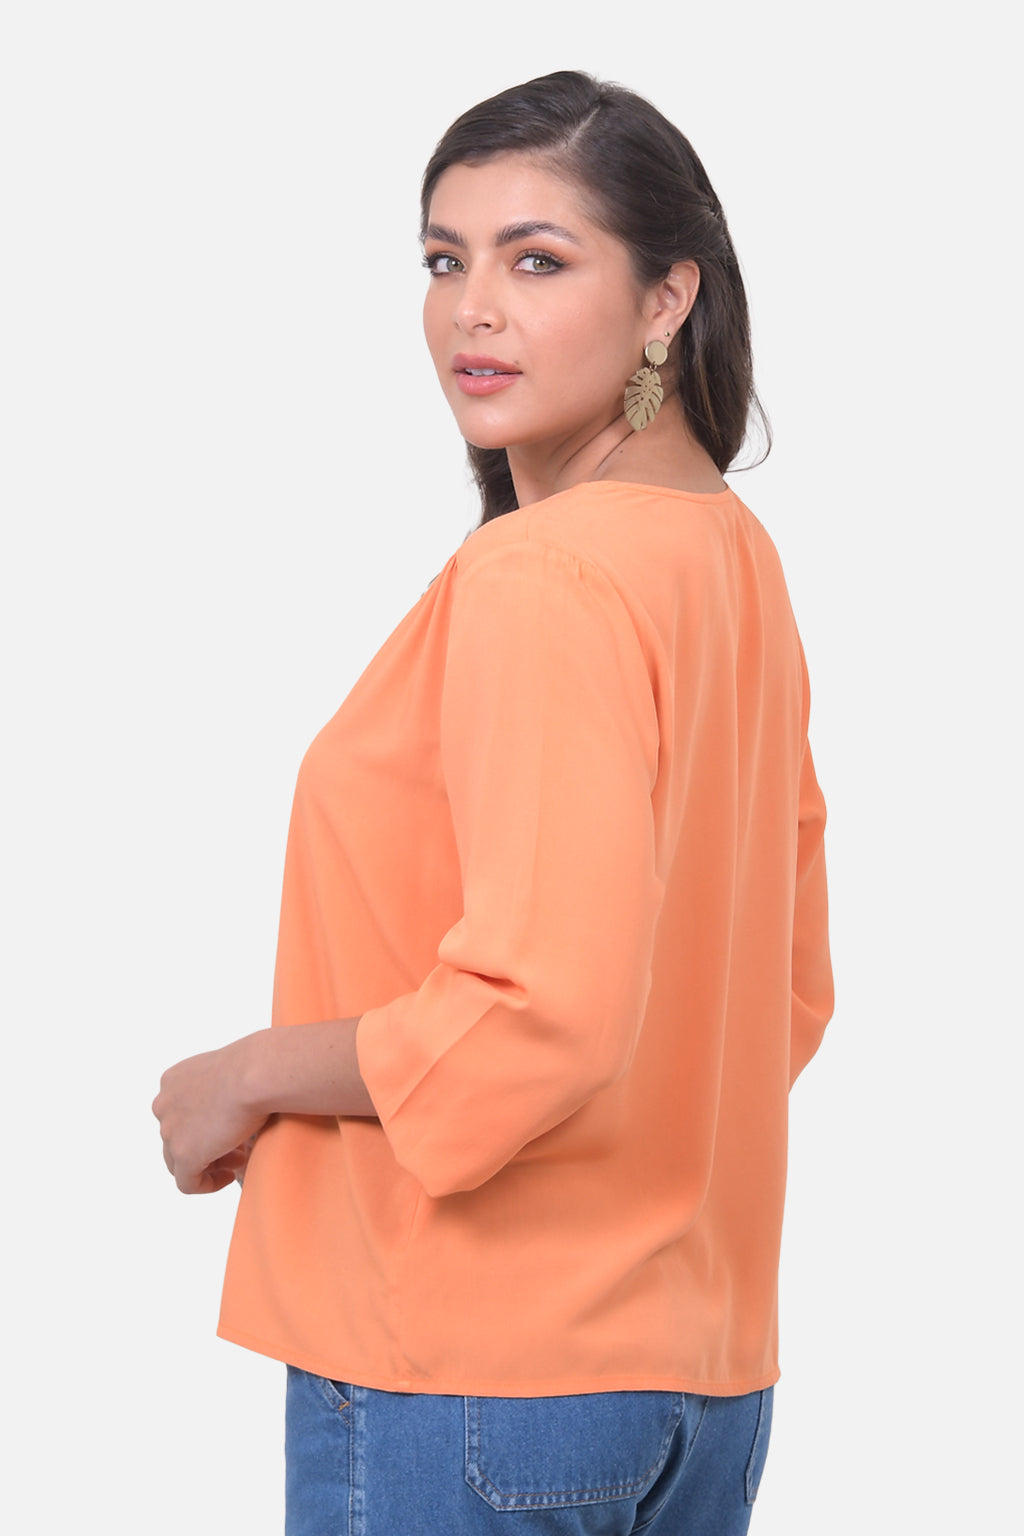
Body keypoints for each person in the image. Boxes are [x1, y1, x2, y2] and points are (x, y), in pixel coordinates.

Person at [154, 70, 833, 1536]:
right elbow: (782, 993)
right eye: (443, 259)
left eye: (537, 261)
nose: (473, 310)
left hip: (469, 1369)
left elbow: (540, 1012)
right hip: (695, 1381)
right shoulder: (728, 559)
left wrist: (246, 1078)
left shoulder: (546, 575)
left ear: (666, 299)